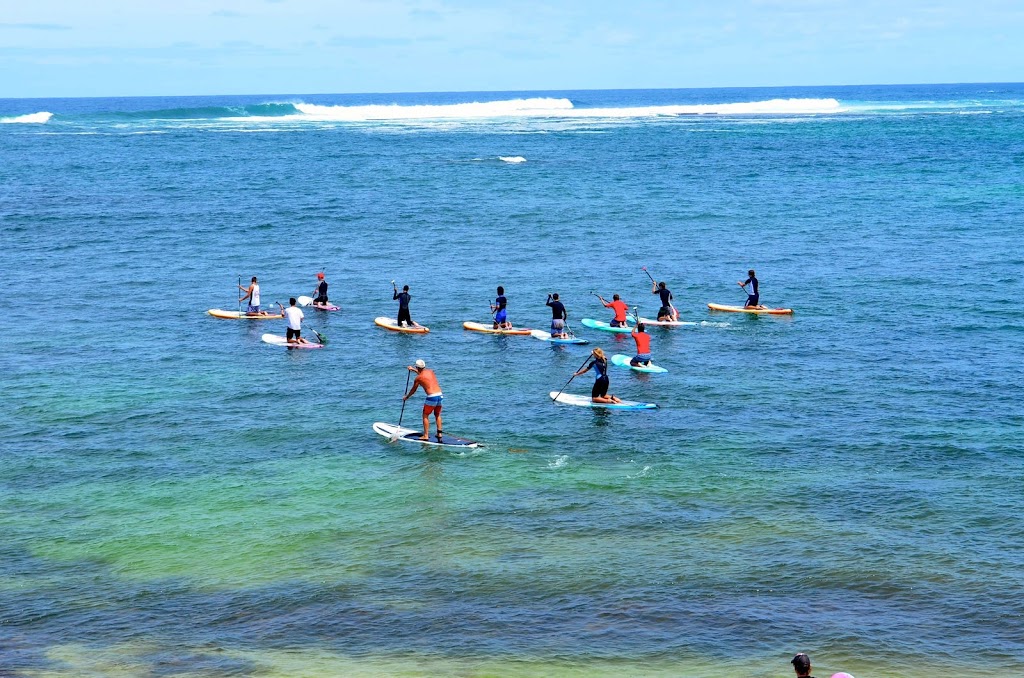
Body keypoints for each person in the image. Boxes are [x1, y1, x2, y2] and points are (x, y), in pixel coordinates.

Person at [403, 359, 443, 441]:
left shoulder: (418, 378)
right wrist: (413, 370)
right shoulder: (431, 372)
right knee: (437, 414)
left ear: (417, 367)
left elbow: (413, 390)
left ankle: (425, 435)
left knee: (425, 415)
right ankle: (439, 433)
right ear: (424, 366)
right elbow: (424, 376)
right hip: (440, 395)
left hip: (432, 397)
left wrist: (407, 397)